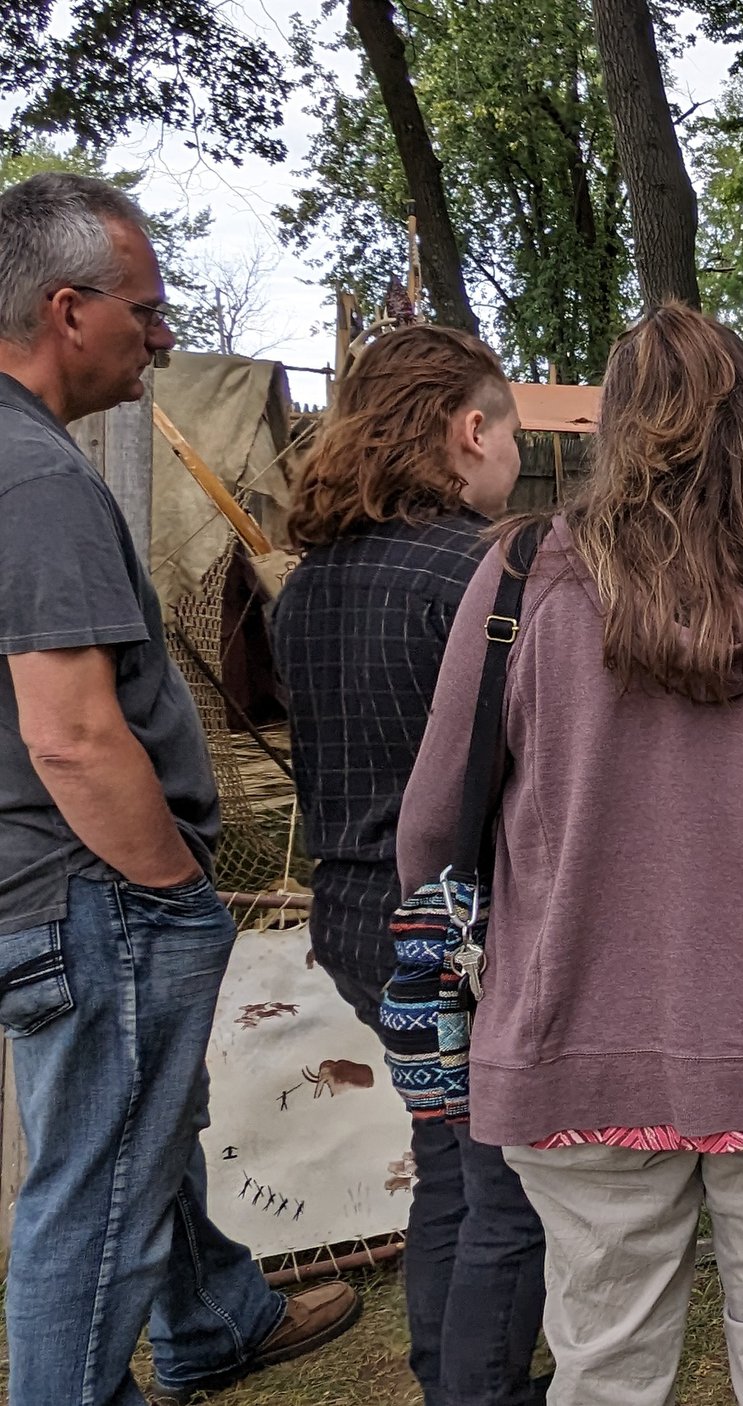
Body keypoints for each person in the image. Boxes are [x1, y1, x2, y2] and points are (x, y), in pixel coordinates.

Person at [397, 304, 743, 1406]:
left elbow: (429, 832)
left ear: (613, 428)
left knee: (605, 1370)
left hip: (579, 1050)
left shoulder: (523, 591)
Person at [0, 172, 362, 1403]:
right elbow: (72, 736)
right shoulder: (37, 482)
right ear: (67, 310)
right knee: (93, 1188)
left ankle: (213, 1313)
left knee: (141, 1118)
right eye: (145, 309)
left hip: (47, 882)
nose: (162, 334)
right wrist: (171, 890)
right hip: (90, 887)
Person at [270, 324, 545, 1406]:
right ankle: (477, 1389)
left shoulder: (308, 584)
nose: (515, 451)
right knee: (505, 1184)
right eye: (512, 428)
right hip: (460, 922)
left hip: (351, 912)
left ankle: (447, 1370)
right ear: (469, 431)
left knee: (448, 1158)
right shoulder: (490, 569)